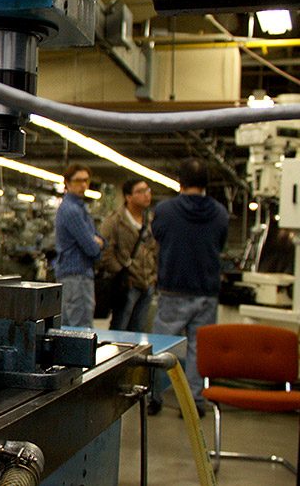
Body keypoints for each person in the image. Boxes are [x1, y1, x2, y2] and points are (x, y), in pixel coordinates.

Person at [148, 158, 228, 417]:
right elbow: (221, 243)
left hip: (173, 288)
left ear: (180, 181)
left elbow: (157, 236)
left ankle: (155, 396)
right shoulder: (219, 213)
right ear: (207, 183)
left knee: (162, 347)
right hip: (206, 289)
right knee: (198, 349)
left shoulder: (165, 210)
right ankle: (193, 402)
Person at [99, 178, 158, 332]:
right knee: (120, 329)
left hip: (147, 284)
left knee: (138, 330)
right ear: (128, 197)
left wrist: (154, 275)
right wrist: (120, 274)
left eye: (148, 190)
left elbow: (155, 249)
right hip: (127, 286)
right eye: (140, 191)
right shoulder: (115, 221)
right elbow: (105, 251)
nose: (146, 195)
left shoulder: (151, 220)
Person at [53, 164, 105, 328]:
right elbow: (92, 248)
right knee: (80, 329)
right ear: (67, 183)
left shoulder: (79, 208)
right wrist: (97, 245)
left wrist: (97, 242)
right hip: (77, 277)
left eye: (86, 180)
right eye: (78, 181)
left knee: (70, 327)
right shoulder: (72, 210)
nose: (83, 185)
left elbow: (99, 239)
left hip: (74, 276)